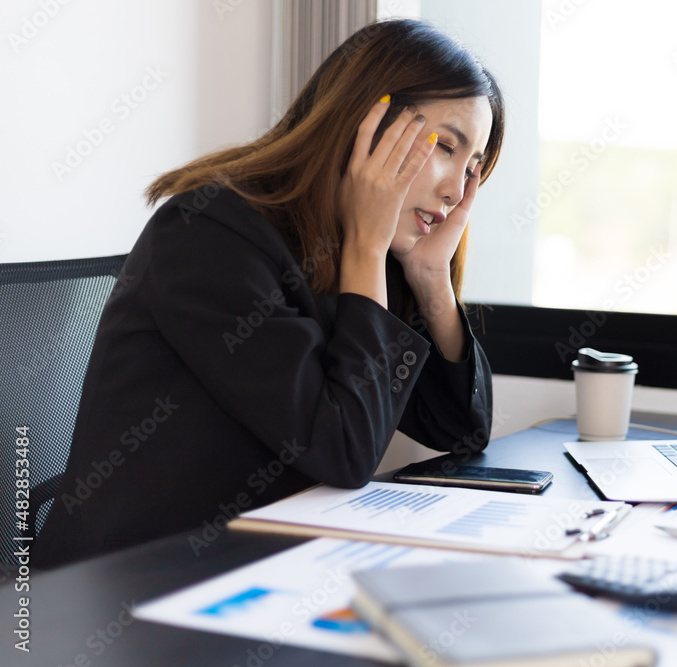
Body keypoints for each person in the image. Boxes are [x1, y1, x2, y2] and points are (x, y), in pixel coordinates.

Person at [35, 18, 505, 569]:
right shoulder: (207, 231)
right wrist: (366, 254)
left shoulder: (363, 253)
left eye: (473, 167)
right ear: (366, 122)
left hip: (260, 564)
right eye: (447, 147)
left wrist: (431, 281)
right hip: (134, 582)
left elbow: (461, 429)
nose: (456, 190)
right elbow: (345, 451)